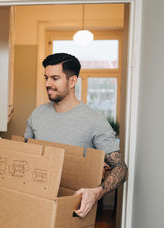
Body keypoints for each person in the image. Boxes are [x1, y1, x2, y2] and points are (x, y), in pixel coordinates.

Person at [24, 53, 128, 218]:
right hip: (35, 204)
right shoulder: (37, 114)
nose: (48, 84)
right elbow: (25, 153)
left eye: (55, 78)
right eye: (46, 78)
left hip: (74, 210)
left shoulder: (95, 121)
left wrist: (97, 192)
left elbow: (121, 168)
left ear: (72, 81)